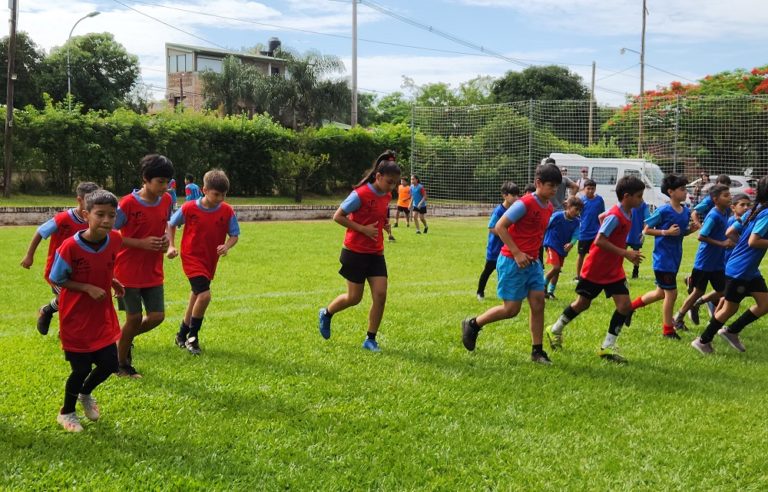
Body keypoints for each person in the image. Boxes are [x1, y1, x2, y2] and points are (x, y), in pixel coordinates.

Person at [461, 163, 562, 365]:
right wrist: (516, 253)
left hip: (532, 263)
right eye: (551, 185)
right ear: (538, 183)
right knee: (511, 309)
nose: (554, 190)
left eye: (556, 186)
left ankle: (537, 351)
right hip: (511, 260)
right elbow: (500, 227)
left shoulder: (549, 207)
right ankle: (473, 324)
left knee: (538, 303)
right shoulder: (524, 204)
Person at [546, 176, 646, 363]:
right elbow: (599, 240)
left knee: (624, 306)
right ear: (627, 196)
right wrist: (625, 253)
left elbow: (602, 217)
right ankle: (555, 329)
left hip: (613, 269)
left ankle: (607, 347)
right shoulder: (617, 216)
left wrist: (620, 253)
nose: (641, 200)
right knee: (582, 304)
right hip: (596, 269)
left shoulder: (626, 212)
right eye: (639, 196)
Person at [48, 189, 124, 432]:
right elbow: (56, 277)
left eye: (111, 215)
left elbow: (104, 264)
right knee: (80, 368)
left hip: (102, 315)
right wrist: (86, 287)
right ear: (85, 214)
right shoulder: (70, 247)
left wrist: (112, 280)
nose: (106, 220)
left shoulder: (115, 239)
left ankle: (85, 393)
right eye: (100, 214)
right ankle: (66, 412)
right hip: (76, 317)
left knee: (110, 364)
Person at [318, 151, 400, 352]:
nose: (392, 187)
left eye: (395, 184)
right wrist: (363, 229)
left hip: (376, 252)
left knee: (380, 295)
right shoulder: (360, 194)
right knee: (354, 298)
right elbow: (338, 216)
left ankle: (370, 339)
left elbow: (377, 214)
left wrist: (384, 225)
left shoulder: (386, 194)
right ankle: (326, 313)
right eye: (389, 182)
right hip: (355, 251)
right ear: (378, 177)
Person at [113, 154, 175, 378]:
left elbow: (165, 225)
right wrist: (140, 243)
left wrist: (166, 242)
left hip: (153, 270)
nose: (164, 186)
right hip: (127, 271)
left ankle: (120, 341)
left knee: (157, 316)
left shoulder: (167, 200)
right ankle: (121, 364)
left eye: (167, 182)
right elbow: (111, 235)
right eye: (160, 181)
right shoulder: (127, 204)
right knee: (134, 318)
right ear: (145, 179)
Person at [692, 176, 768, 355]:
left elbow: (730, 231)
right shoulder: (763, 212)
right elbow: (754, 241)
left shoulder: (755, 210)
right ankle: (703, 341)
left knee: (765, 303)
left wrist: (739, 246)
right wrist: (744, 248)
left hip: (749, 270)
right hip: (740, 270)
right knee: (729, 308)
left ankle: (731, 331)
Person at [167, 169, 240, 355]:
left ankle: (181, 335)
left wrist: (226, 246)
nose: (220, 198)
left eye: (224, 195)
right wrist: (171, 246)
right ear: (204, 190)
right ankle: (193, 338)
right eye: (217, 194)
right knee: (205, 296)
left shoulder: (227, 210)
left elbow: (234, 235)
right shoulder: (189, 208)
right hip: (191, 257)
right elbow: (171, 224)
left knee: (196, 296)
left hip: (210, 260)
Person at [20, 182, 99, 335]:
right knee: (69, 299)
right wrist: (29, 255)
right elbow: (40, 232)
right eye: (90, 200)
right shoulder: (63, 219)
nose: (93, 204)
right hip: (58, 272)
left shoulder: (94, 220)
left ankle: (47, 310)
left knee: (75, 299)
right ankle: (67, 332)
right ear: (79, 200)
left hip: (80, 271)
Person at [626, 174, 698, 339]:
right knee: (671, 294)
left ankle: (630, 308)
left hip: (675, 259)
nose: (685, 192)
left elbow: (679, 233)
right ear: (671, 192)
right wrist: (665, 232)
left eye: (685, 189)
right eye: (682, 189)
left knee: (660, 293)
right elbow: (646, 229)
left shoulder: (685, 211)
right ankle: (668, 330)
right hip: (662, 260)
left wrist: (689, 231)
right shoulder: (664, 210)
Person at [672, 185, 733, 331]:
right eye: (726, 195)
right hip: (704, 262)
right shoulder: (714, 215)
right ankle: (678, 318)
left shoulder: (725, 212)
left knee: (723, 291)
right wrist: (722, 243)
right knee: (698, 291)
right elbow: (701, 236)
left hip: (717, 263)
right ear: (715, 199)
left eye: (729, 194)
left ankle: (698, 303)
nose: (730, 197)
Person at [476, 181, 520, 301]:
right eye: (513, 195)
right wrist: (505, 234)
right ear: (505, 195)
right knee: (488, 270)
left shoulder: (516, 210)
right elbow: (491, 228)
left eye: (517, 195)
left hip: (507, 249)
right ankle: (480, 292)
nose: (516, 198)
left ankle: (505, 293)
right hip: (495, 248)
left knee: (506, 271)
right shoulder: (499, 211)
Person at [543, 196, 582, 300]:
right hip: (552, 244)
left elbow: (575, 235)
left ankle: (550, 292)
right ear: (568, 207)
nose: (578, 212)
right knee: (556, 268)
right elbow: (545, 225)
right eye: (576, 209)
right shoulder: (557, 216)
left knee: (557, 270)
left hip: (562, 247)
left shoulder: (576, 221)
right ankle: (542, 285)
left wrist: (571, 243)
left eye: (579, 210)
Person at [575, 179, 605, 279]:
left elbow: (603, 214)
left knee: (596, 255)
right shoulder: (581, 201)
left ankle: (595, 274)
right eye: (588, 189)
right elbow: (576, 214)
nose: (590, 191)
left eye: (592, 189)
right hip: (584, 232)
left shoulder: (599, 200)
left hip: (596, 233)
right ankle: (578, 276)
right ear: (584, 189)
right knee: (581, 254)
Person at [626, 199, 650, 279]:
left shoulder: (644, 205)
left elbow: (647, 220)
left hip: (637, 232)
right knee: (621, 252)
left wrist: (643, 232)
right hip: (626, 232)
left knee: (636, 254)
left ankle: (635, 272)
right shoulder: (627, 202)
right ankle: (618, 271)